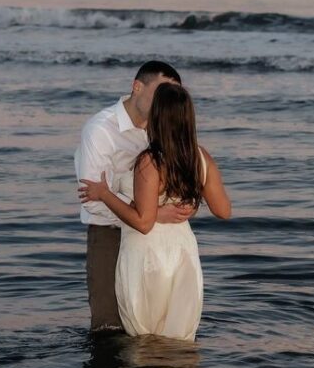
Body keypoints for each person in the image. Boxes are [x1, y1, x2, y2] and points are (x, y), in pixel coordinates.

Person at [79, 83, 231, 342]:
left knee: (143, 337)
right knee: (178, 337)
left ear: (158, 116)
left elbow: (143, 222)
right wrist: (192, 203)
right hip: (183, 255)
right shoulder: (201, 157)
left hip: (148, 255)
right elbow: (224, 211)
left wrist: (104, 194)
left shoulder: (150, 161)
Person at [74, 62, 194, 333]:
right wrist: (150, 215)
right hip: (111, 236)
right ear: (136, 86)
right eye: (161, 91)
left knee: (152, 326)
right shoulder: (101, 130)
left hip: (154, 242)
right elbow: (92, 200)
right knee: (109, 327)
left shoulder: (163, 129)